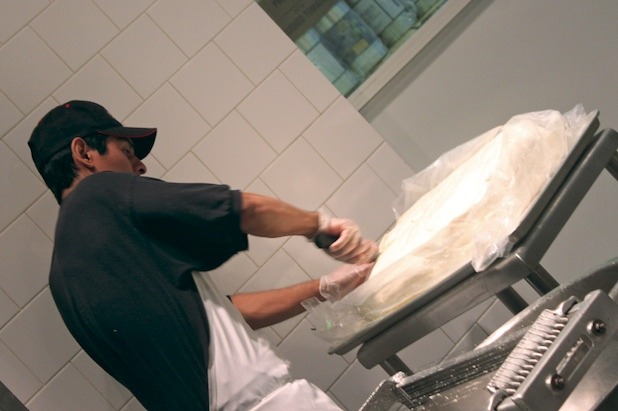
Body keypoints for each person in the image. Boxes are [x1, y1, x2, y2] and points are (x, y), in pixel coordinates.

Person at [28, 100, 378, 410]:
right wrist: (319, 226)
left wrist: (326, 287)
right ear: (84, 153)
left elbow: (216, 316)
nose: (141, 166)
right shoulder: (100, 193)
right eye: (126, 151)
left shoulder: (63, 275)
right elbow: (241, 209)